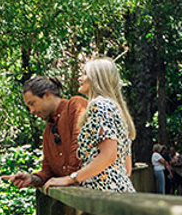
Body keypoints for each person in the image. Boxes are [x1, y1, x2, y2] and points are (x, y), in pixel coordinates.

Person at [43, 58, 136, 194]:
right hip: (120, 193)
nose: (80, 78)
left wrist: (71, 178)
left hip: (105, 194)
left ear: (97, 78)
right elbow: (126, 169)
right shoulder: (116, 109)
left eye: (85, 74)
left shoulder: (100, 105)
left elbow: (109, 154)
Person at [1, 76, 87, 189]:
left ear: (47, 95)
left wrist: (70, 178)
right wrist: (32, 178)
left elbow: (80, 146)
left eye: (32, 103)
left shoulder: (75, 105)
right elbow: (47, 171)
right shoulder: (48, 132)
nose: (31, 111)